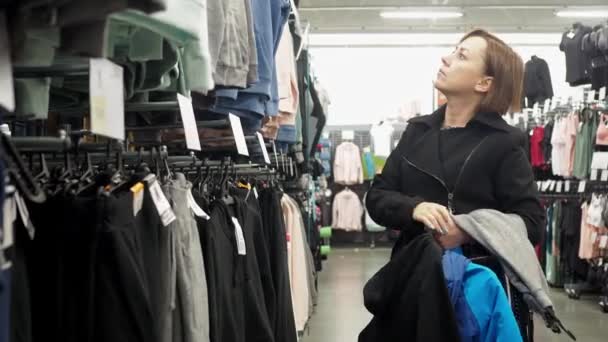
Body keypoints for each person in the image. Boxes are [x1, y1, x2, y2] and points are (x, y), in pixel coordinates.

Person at [366, 29, 545, 339]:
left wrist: (465, 230)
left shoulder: (503, 143)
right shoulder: (417, 133)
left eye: (461, 55)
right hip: (413, 282)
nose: (446, 58)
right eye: (453, 50)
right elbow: (377, 197)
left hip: (473, 294)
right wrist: (415, 208)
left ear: (484, 83)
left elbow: (531, 222)